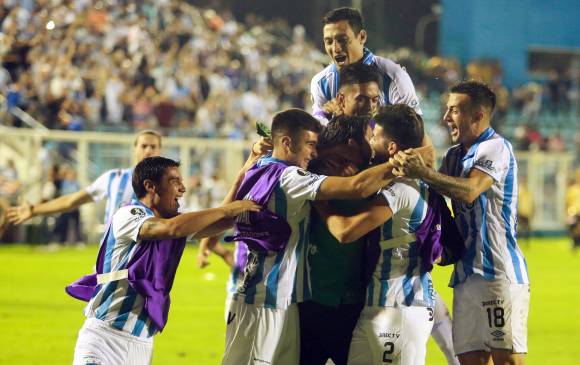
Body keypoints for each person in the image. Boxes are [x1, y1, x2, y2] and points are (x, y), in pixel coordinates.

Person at [221, 108, 423, 365]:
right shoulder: (301, 176)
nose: (371, 147)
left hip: (341, 304)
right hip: (298, 303)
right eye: (312, 147)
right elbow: (351, 202)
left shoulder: (372, 178)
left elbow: (224, 215)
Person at [68, 156, 260, 365]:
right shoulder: (128, 215)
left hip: (142, 344)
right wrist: (226, 209)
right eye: (174, 181)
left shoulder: (175, 223)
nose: (183, 188)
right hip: (105, 339)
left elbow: (222, 221)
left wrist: (243, 175)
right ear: (150, 186)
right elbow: (171, 229)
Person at [392, 81, 530, 365]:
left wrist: (425, 172)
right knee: (470, 360)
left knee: (507, 360)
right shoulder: (455, 155)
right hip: (465, 275)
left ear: (477, 116)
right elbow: (435, 189)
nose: (446, 117)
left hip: (498, 273)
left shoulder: (496, 147)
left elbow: (469, 189)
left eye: (454, 110)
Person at [315, 105, 454, 365]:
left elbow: (345, 231)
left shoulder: (402, 188)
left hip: (401, 309)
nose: (368, 142)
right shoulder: (399, 183)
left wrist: (317, 196)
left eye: (373, 137)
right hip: (376, 307)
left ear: (391, 147)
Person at [299, 115, 374, 365]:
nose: (340, 168)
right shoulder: (310, 175)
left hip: (356, 303)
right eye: (332, 161)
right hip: (311, 301)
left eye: (343, 161)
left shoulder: (373, 179)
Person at [8, 130, 162, 226]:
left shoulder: (168, 186)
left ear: (160, 150)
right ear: (134, 149)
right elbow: (72, 200)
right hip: (110, 266)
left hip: (147, 269)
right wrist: (35, 210)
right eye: (144, 146)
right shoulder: (114, 178)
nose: (148, 150)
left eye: (153, 146)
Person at [311, 7, 421, 125]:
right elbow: (317, 132)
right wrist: (324, 117)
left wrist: (343, 118)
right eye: (329, 42)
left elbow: (413, 131)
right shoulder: (321, 83)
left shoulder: (394, 76)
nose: (335, 48)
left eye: (342, 40)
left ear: (362, 37)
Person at [566, 168, 580, 251]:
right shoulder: (572, 189)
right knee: (573, 228)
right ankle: (575, 243)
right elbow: (567, 201)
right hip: (574, 211)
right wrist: (567, 212)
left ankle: (576, 243)